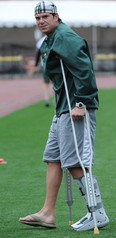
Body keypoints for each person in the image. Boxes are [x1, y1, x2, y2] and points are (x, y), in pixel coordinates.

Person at [19, 1, 109, 231]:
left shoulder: (65, 37)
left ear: (56, 17)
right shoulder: (50, 40)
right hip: (61, 109)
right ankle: (47, 214)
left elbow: (85, 70)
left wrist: (81, 102)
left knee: (74, 161)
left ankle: (97, 212)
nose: (41, 21)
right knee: (53, 157)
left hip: (75, 107)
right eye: (38, 18)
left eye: (45, 16)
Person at [31, 35, 51, 107]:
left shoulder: (41, 40)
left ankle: (47, 100)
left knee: (46, 83)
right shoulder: (55, 37)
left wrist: (36, 65)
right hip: (51, 65)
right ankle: (55, 101)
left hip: (45, 65)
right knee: (55, 83)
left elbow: (38, 54)